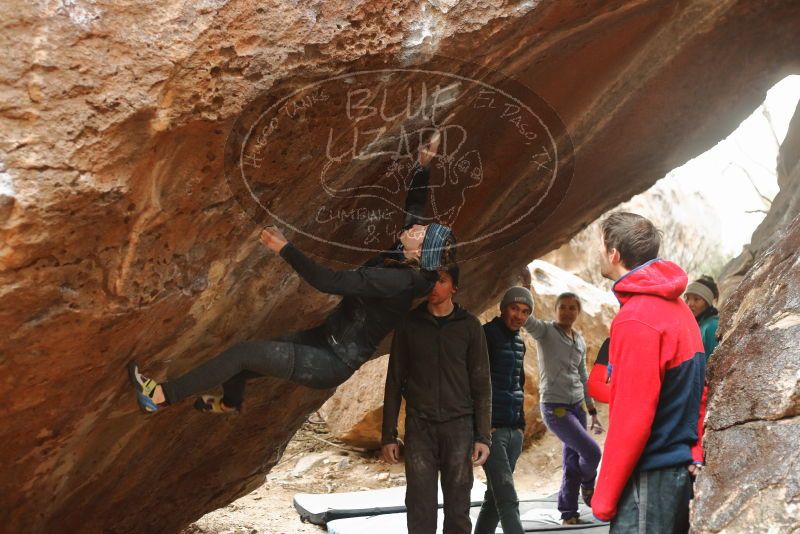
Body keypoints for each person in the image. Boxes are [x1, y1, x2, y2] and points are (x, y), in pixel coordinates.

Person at [127, 131, 455, 414]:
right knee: (250, 356)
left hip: (329, 361)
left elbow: (327, 281)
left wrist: (284, 248)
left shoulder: (395, 280)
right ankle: (229, 403)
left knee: (243, 354)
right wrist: (423, 165)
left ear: (420, 252)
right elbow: (414, 209)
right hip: (324, 338)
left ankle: (159, 397)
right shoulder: (409, 258)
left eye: (422, 234)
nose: (417, 229)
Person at [591, 212, 706, 534]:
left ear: (613, 254)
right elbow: (700, 388)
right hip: (677, 472)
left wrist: (605, 495)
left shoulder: (636, 318)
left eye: (600, 246)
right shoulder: (678, 308)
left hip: (650, 475)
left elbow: (633, 416)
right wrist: (693, 449)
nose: (599, 254)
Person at [381, 265, 491, 534]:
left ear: (454, 287)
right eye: (430, 280)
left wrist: (483, 436)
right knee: (419, 506)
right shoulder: (409, 324)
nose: (434, 286)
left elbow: (481, 384)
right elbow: (394, 381)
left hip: (459, 427)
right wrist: (388, 435)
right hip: (421, 427)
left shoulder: (469, 326)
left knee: (458, 508)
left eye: (441, 281)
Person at [524, 289, 602, 525]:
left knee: (571, 459)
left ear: (578, 312)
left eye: (572, 307)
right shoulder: (546, 331)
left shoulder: (578, 339)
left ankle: (568, 512)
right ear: (555, 309)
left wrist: (592, 410)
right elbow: (527, 320)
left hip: (577, 406)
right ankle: (588, 485)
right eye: (563, 307)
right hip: (555, 409)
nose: (567, 311)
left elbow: (582, 375)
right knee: (592, 452)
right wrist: (525, 288)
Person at [473, 287, 531, 534]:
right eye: (514, 308)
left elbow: (518, 384)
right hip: (492, 433)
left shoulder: (520, 343)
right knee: (507, 498)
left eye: (525, 311)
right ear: (503, 307)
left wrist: (520, 426)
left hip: (513, 432)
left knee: (495, 498)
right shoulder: (486, 335)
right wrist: (480, 428)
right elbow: (473, 384)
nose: (519, 315)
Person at [684, 275, 720, 357]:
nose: (690, 304)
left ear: (707, 302)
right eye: (687, 298)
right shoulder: (698, 325)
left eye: (696, 299)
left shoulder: (712, 326)